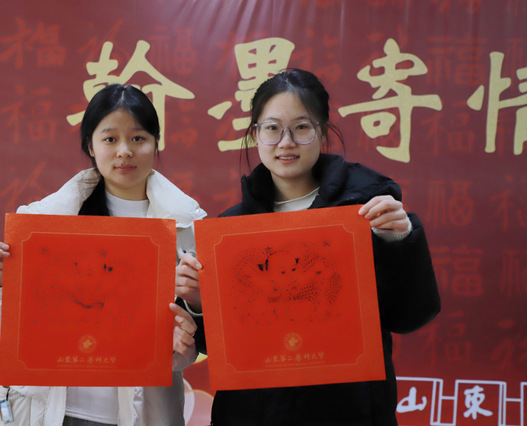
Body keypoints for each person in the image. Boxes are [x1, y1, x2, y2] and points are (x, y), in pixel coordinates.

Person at [176, 69, 441, 425]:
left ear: (323, 132)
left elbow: (411, 316)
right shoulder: (231, 229)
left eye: (301, 127)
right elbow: (223, 349)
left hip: (349, 412)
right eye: (272, 128)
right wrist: (198, 302)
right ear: (255, 135)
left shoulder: (366, 211)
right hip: (253, 414)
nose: (286, 142)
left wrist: (400, 239)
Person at [0, 84, 207, 426]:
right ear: (90, 145)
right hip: (46, 410)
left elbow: (197, 343)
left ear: (156, 142)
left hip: (139, 414)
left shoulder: (186, 228)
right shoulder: (44, 222)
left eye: (138, 138)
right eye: (110, 139)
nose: (124, 151)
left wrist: (184, 344)